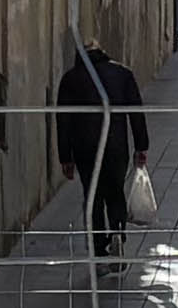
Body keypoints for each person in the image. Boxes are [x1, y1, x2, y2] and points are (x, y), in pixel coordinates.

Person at [52, 36, 148, 255]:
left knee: (93, 194)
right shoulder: (122, 74)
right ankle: (117, 232)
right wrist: (141, 146)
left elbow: (63, 120)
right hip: (116, 144)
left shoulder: (70, 79)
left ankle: (98, 246)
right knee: (115, 190)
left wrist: (65, 157)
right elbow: (136, 112)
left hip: (84, 147)